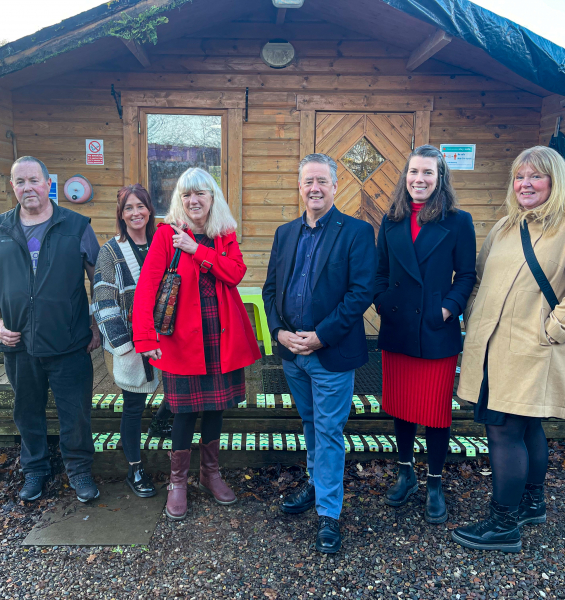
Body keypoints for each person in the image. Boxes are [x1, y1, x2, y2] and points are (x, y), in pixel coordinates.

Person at [452, 146, 565, 552]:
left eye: (536, 177)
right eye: (520, 177)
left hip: (536, 348)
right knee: (526, 426)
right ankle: (531, 504)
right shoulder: (505, 227)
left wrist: (551, 331)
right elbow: (481, 277)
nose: (525, 184)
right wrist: (472, 315)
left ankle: (503, 524)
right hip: (492, 346)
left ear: (555, 182)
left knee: (503, 429)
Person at [132, 167, 261, 521]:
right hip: (181, 340)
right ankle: (178, 483)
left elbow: (235, 273)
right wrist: (144, 337)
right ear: (180, 199)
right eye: (187, 194)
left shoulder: (224, 233)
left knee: (216, 408)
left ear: (212, 197)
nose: (193, 201)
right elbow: (146, 290)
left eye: (200, 193)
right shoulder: (166, 235)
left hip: (221, 337)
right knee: (184, 412)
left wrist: (197, 251)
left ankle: (210, 474)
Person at [0, 156, 102, 503]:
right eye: (19, 182)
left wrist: (97, 324)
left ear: (48, 184)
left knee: (75, 412)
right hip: (17, 342)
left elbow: (99, 278)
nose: (27, 187)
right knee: (27, 412)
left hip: (70, 342)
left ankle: (79, 470)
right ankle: (35, 471)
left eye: (33, 180)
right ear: (12, 187)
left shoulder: (76, 226)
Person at [263, 153, 377, 554]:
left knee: (329, 430)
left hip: (330, 354)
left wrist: (321, 336)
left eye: (322, 182)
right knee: (311, 423)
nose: (314, 188)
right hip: (293, 354)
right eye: (308, 181)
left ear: (335, 187)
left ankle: (329, 514)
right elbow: (270, 290)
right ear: (300, 187)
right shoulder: (285, 232)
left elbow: (361, 293)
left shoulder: (357, 232)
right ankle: (316, 486)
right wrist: (279, 333)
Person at [374, 145, 476, 524]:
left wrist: (447, 309)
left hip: (435, 329)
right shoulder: (391, 219)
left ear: (440, 178)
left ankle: (434, 482)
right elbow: (379, 271)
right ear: (405, 177)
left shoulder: (458, 221)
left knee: (434, 412)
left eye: (427, 173)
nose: (419, 179)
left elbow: (466, 275)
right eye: (413, 172)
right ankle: (406, 474)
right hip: (398, 326)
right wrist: (382, 302)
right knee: (401, 406)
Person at [92, 184, 172, 498]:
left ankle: (163, 423)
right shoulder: (111, 251)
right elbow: (103, 300)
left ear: (150, 210)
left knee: (179, 393)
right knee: (133, 405)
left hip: (166, 336)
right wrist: (125, 344)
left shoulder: (162, 243)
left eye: (141, 206)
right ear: (121, 214)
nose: (136, 212)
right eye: (129, 208)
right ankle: (134, 468)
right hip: (130, 340)